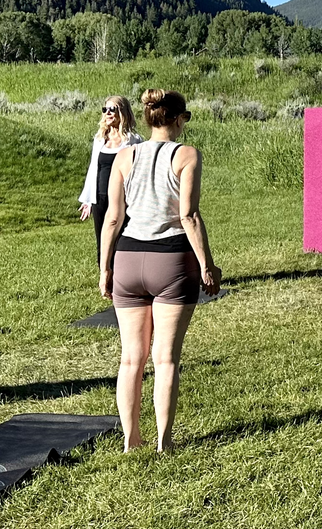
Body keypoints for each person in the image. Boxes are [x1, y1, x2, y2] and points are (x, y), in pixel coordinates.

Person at [99, 89, 220, 453]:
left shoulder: (124, 156)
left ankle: (130, 439)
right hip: (171, 260)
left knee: (130, 358)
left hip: (128, 258)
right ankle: (164, 442)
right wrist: (207, 265)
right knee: (165, 358)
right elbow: (189, 215)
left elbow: (113, 218)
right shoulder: (186, 154)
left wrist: (105, 268)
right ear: (179, 118)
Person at [79, 95, 144, 251]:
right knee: (102, 241)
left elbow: (140, 171)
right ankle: (104, 273)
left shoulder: (134, 141)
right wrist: (88, 200)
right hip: (100, 197)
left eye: (112, 109)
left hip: (123, 197)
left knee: (121, 238)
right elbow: (93, 169)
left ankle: (120, 273)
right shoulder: (100, 139)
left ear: (122, 112)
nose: (107, 113)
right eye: (105, 109)